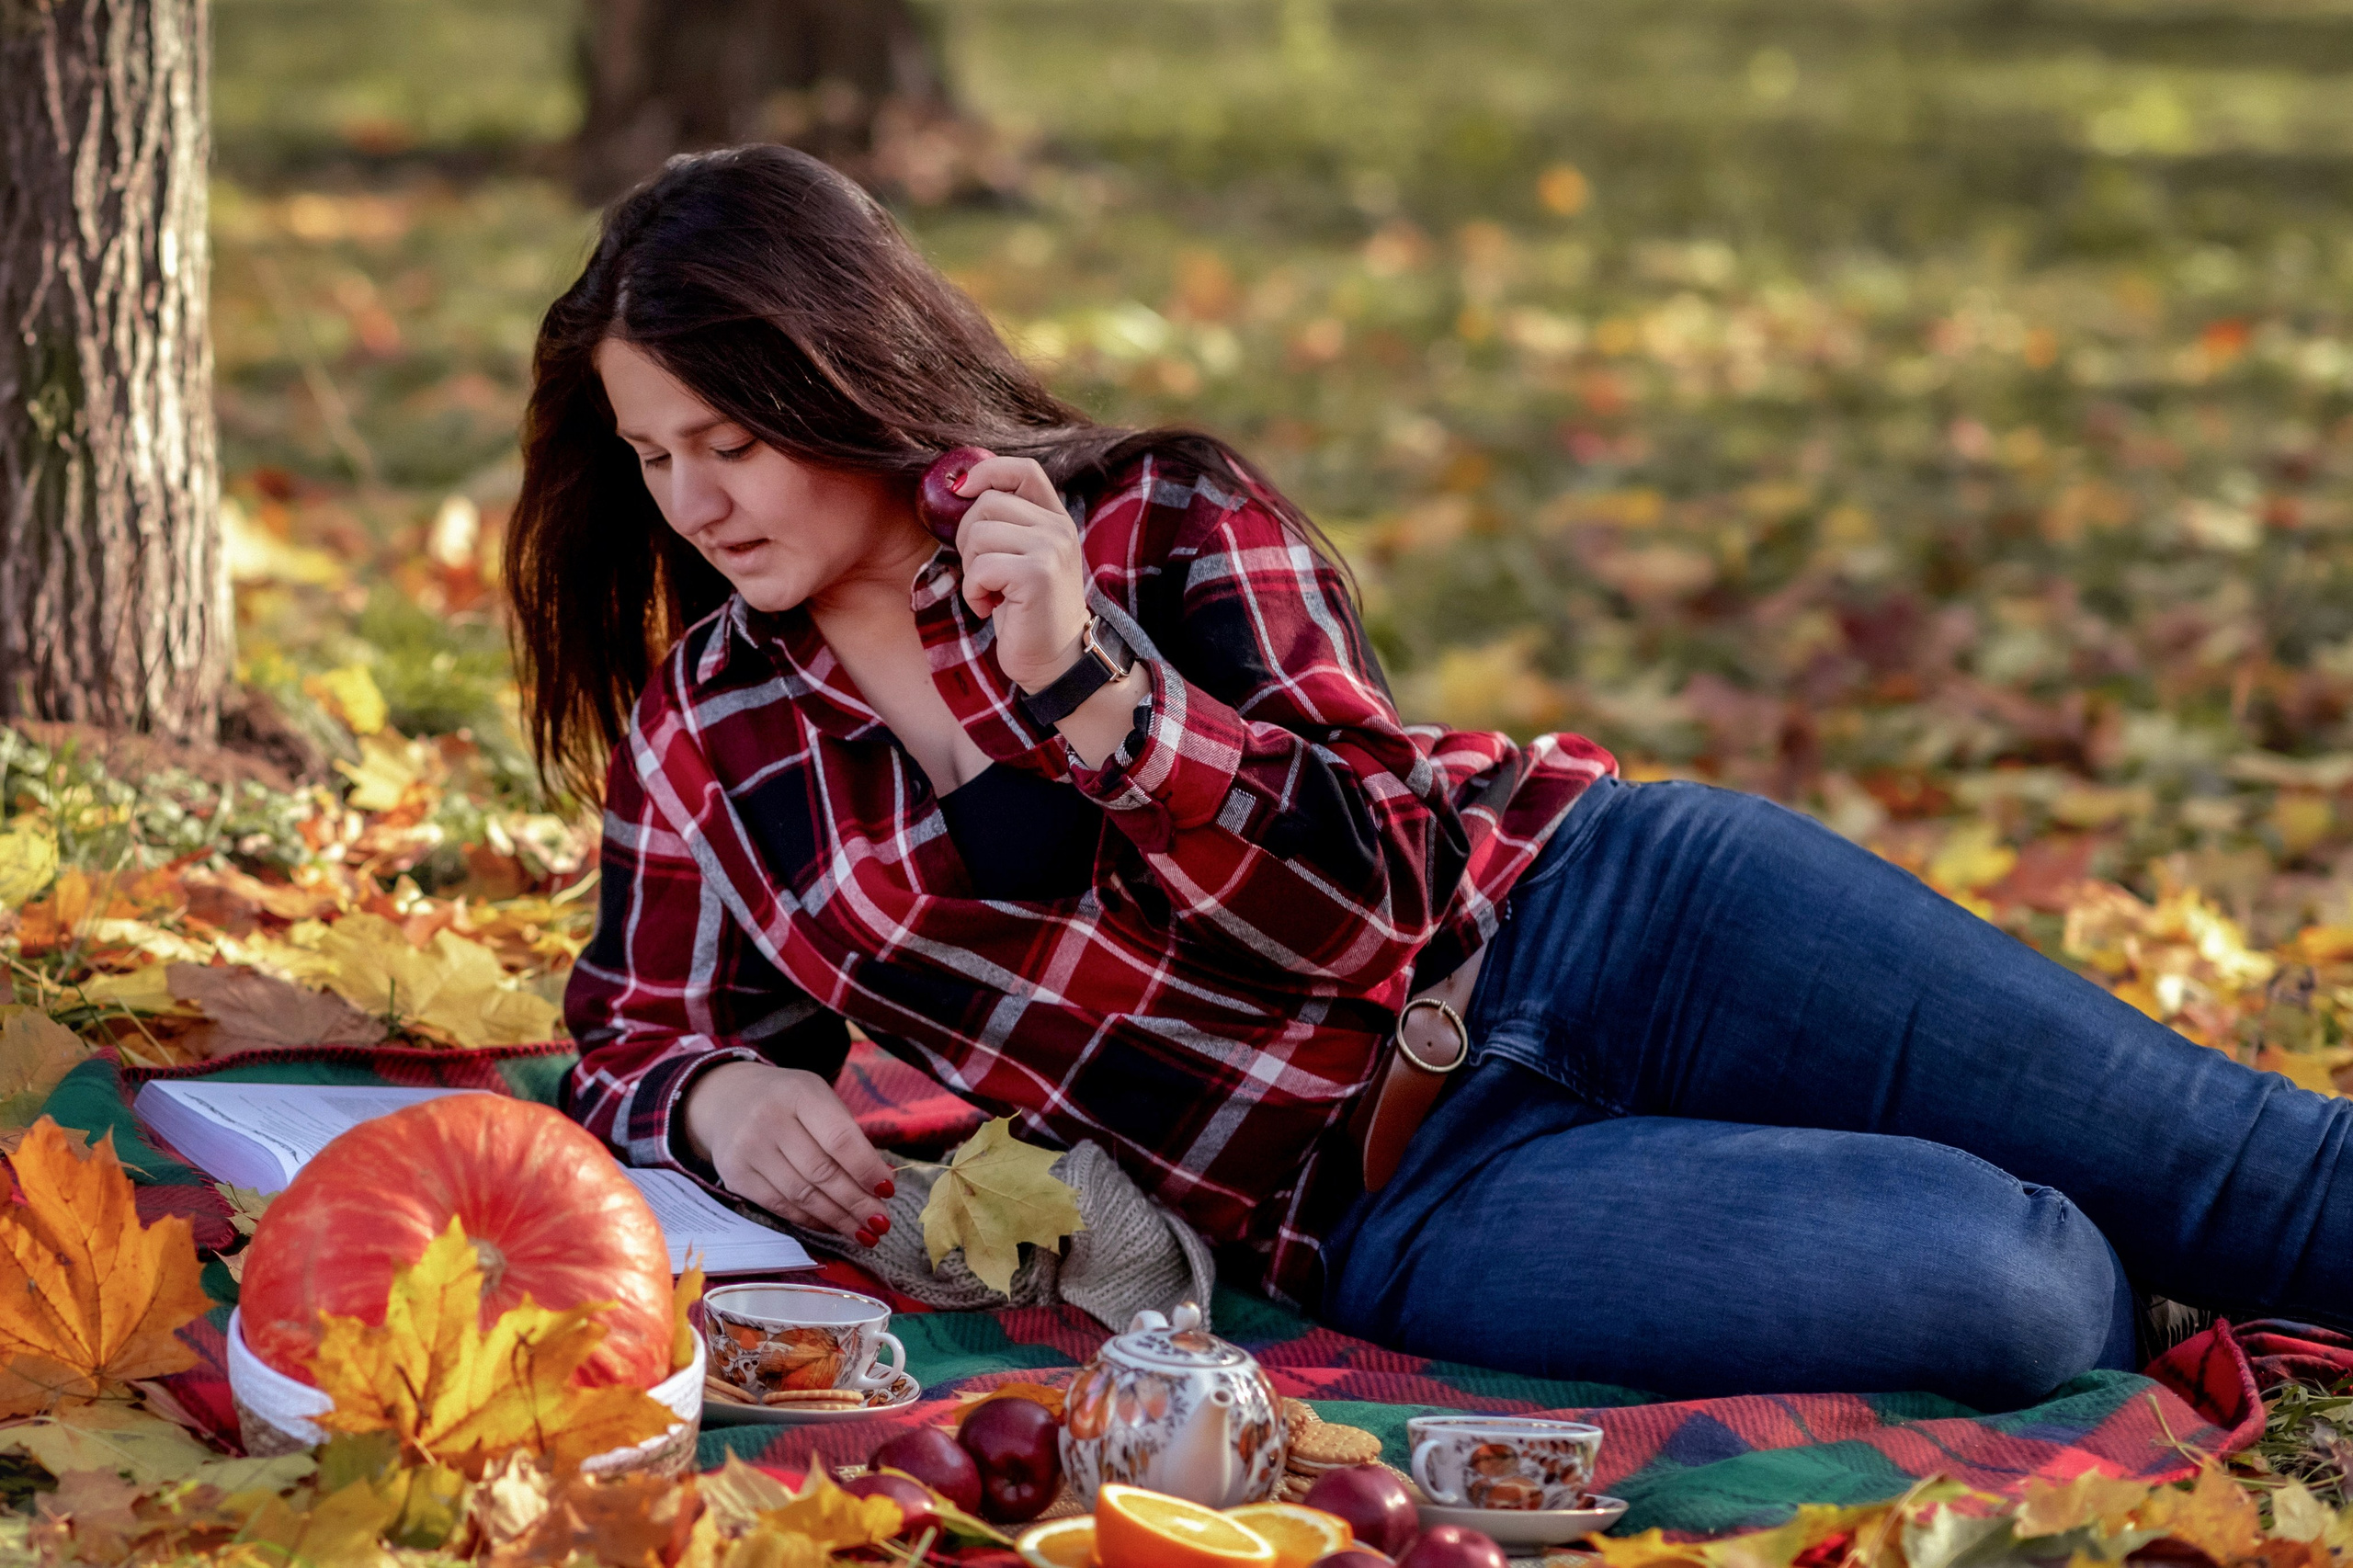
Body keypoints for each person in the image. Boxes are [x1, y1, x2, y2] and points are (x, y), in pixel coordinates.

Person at [509, 144, 2351, 1413]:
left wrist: (1091, 689)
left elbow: (1378, 891)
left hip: (1609, 915)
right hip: (1395, 1200)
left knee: (2236, 1161)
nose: (696, 505)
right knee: (2019, 1290)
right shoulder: (707, 731)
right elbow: (626, 1035)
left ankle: (2173, 1216)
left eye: (731, 440)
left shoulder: (1148, 516)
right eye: (654, 455)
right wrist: (717, 1099)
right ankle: (2123, 1257)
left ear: (846, 374)